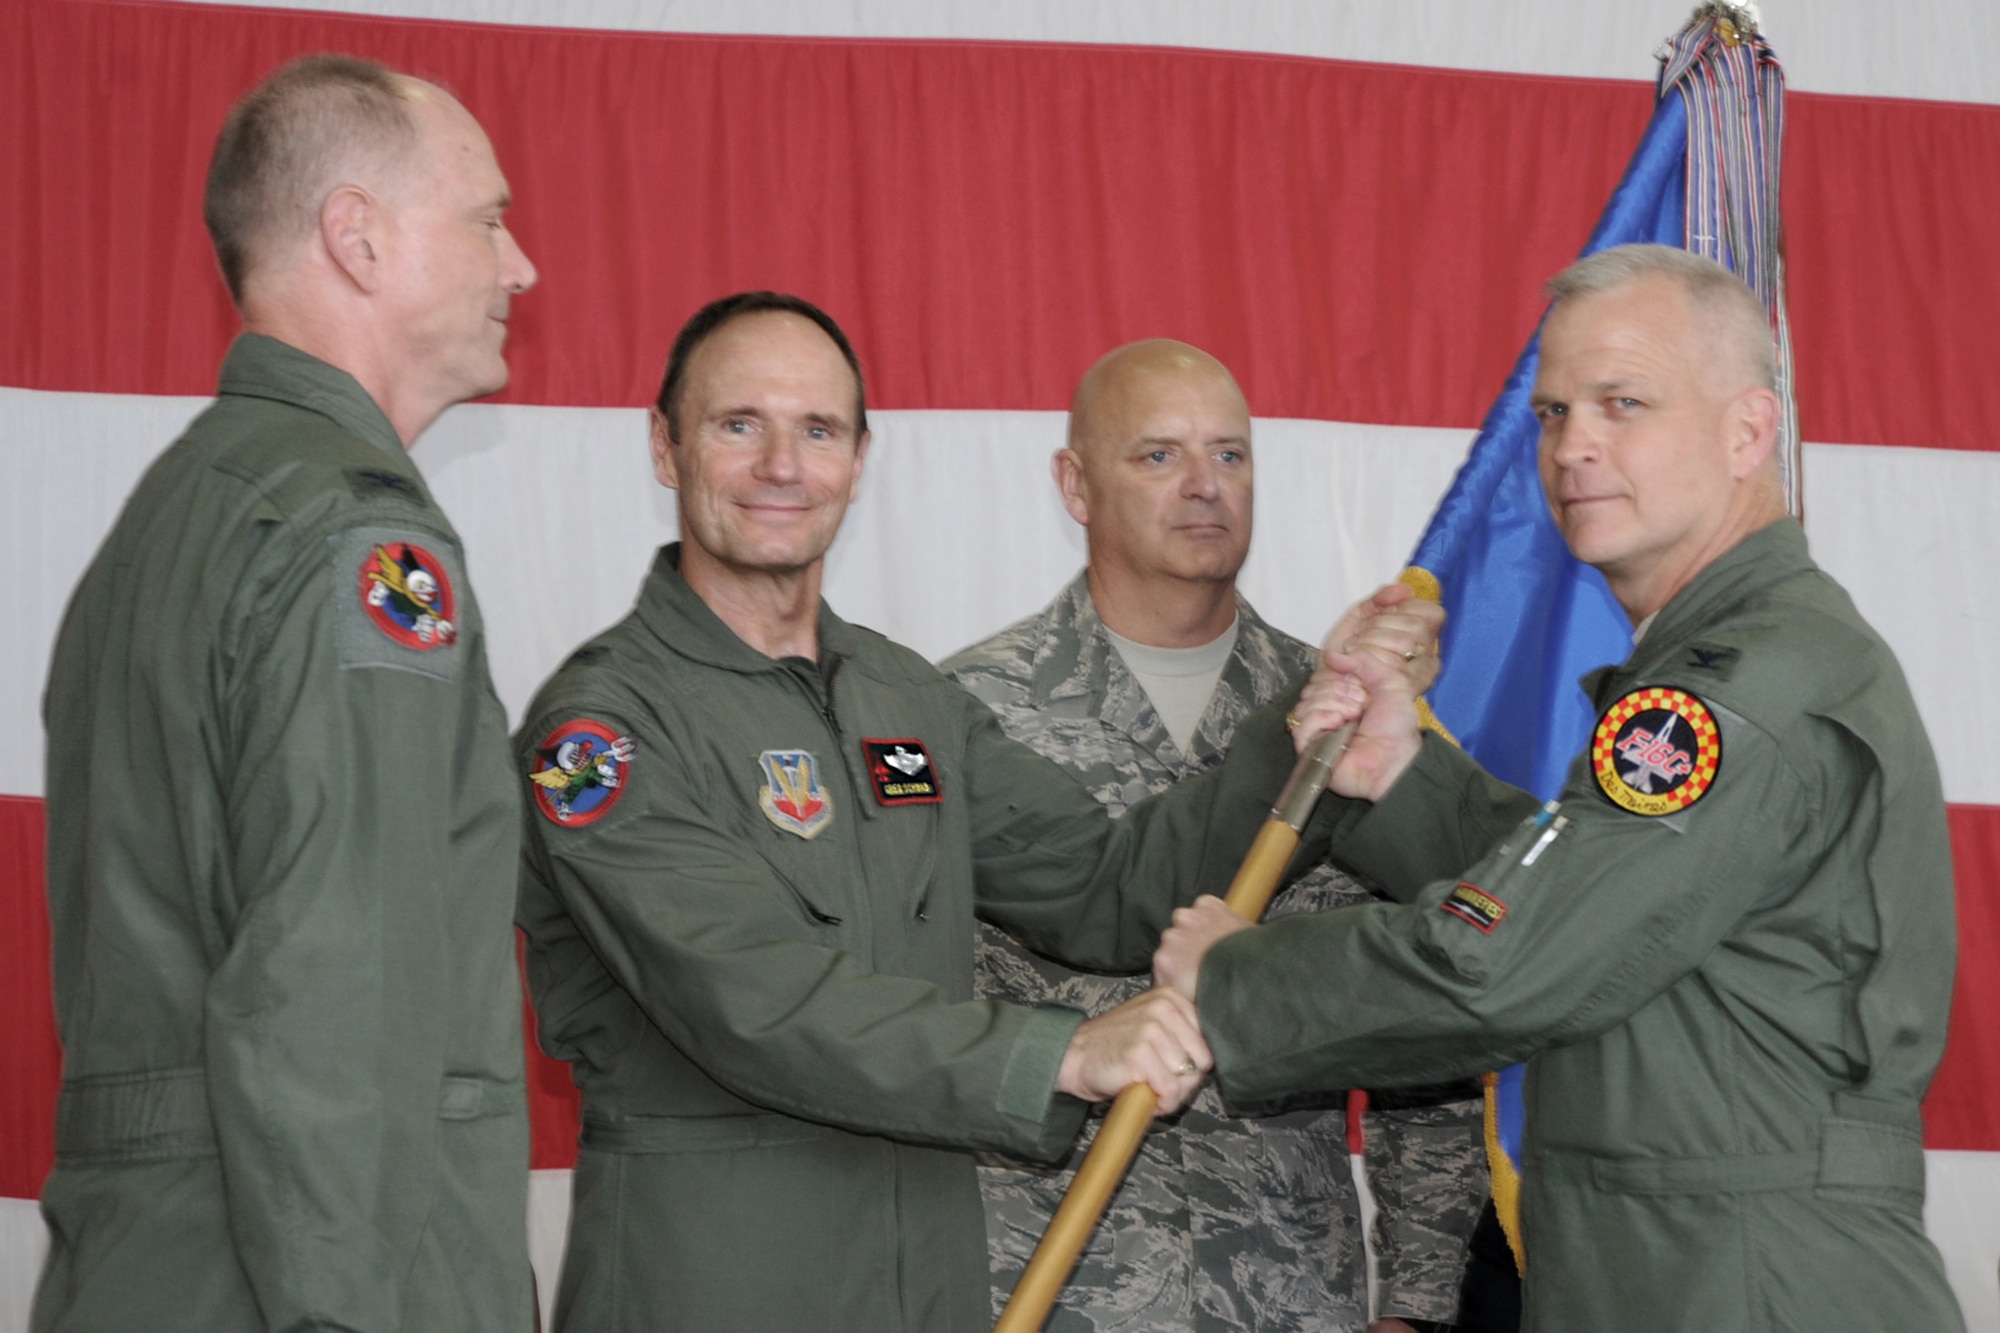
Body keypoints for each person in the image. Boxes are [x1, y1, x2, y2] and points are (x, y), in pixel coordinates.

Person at [513, 293, 1410, 1333]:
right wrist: (1061, 1054)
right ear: (665, 449)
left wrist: (1297, 731)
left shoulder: (898, 698)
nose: (781, 466)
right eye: (737, 425)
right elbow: (755, 1002)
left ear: (857, 459)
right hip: (719, 1276)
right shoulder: (603, 730)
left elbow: (1101, 885)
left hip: (928, 1276)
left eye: (817, 430)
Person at [1156, 244, 1963, 1332]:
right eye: (1550, 412)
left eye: (1621, 403)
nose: (1573, 445)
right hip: (1681, 1264)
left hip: (1738, 1280)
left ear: (1746, 431)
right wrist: (1394, 776)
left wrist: (1235, 983)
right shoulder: (1731, 659)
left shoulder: (1743, 686)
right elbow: (1593, 898)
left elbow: (1506, 966)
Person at [33, 55, 539, 1333]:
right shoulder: (356, 546)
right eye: (487, 219)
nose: (520, 266)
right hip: (308, 1280)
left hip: (160, 1268)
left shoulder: (175, 516)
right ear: (357, 239)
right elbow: (335, 993)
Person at [943, 339, 1483, 1333]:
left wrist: (1411, 1302)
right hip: (1047, 1287)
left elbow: (1425, 1030)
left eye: (1228, 455)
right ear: (1074, 481)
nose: (1203, 487)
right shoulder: (968, 712)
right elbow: (919, 1026)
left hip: (1284, 1288)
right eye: (1157, 455)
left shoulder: (1342, 714)